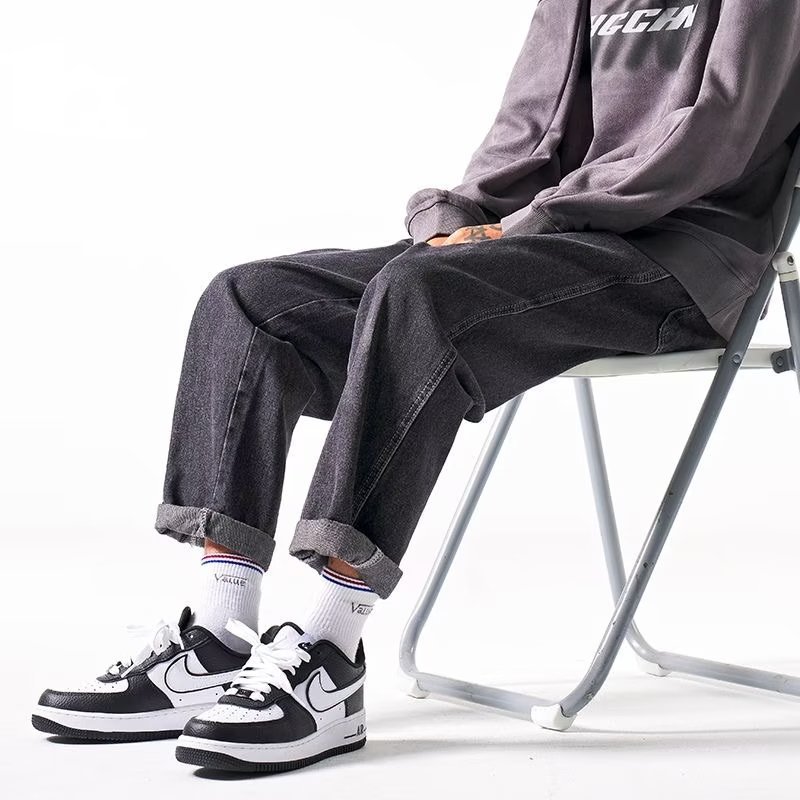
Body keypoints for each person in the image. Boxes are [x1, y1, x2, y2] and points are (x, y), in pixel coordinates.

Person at [33, 0, 800, 774]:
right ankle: (217, 635)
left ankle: (330, 652)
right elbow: (531, 125)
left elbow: (719, 130)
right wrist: (457, 218)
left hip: (685, 260)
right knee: (251, 301)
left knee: (419, 297)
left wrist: (530, 225)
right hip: (550, 237)